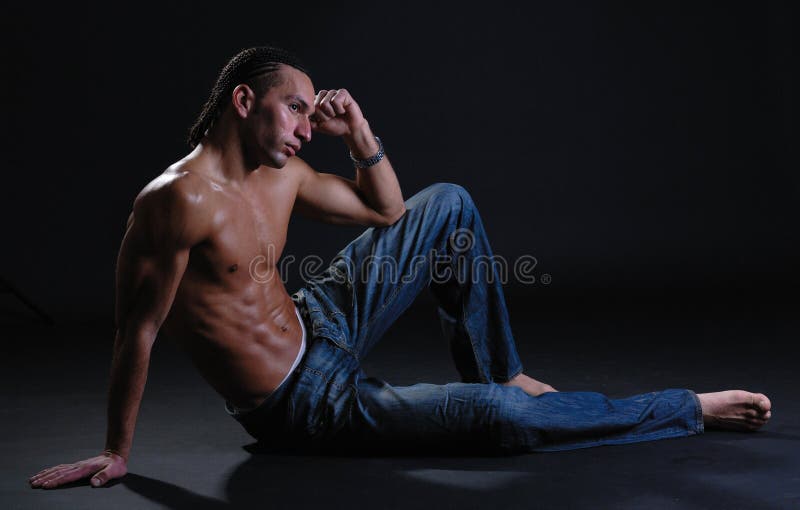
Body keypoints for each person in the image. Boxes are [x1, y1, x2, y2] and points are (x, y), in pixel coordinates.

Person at [29, 46, 771, 490]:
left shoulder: (282, 172)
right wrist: (116, 451)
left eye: (310, 115)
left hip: (317, 318)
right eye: (295, 110)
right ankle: (687, 408)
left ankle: (498, 365)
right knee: (507, 422)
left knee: (447, 202)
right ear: (243, 100)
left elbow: (388, 212)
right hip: (298, 406)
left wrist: (359, 131)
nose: (304, 126)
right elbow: (138, 331)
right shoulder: (174, 203)